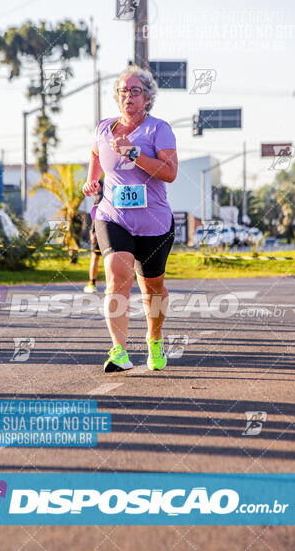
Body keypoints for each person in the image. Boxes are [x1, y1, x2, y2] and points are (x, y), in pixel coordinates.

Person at [82, 65, 177, 373]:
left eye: (135, 91)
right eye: (123, 91)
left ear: (147, 98)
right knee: (115, 274)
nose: (128, 96)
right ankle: (119, 350)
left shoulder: (159, 129)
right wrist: (92, 181)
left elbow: (170, 173)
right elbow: (96, 155)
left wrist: (134, 153)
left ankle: (154, 338)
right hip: (113, 216)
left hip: (154, 224)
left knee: (152, 289)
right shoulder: (104, 128)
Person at [84, 181, 104, 293]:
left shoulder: (100, 198)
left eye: (96, 186)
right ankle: (110, 285)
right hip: (108, 231)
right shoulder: (103, 197)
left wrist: (93, 232)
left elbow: (96, 217)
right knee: (109, 258)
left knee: (95, 257)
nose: (94, 189)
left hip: (99, 232)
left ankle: (92, 284)